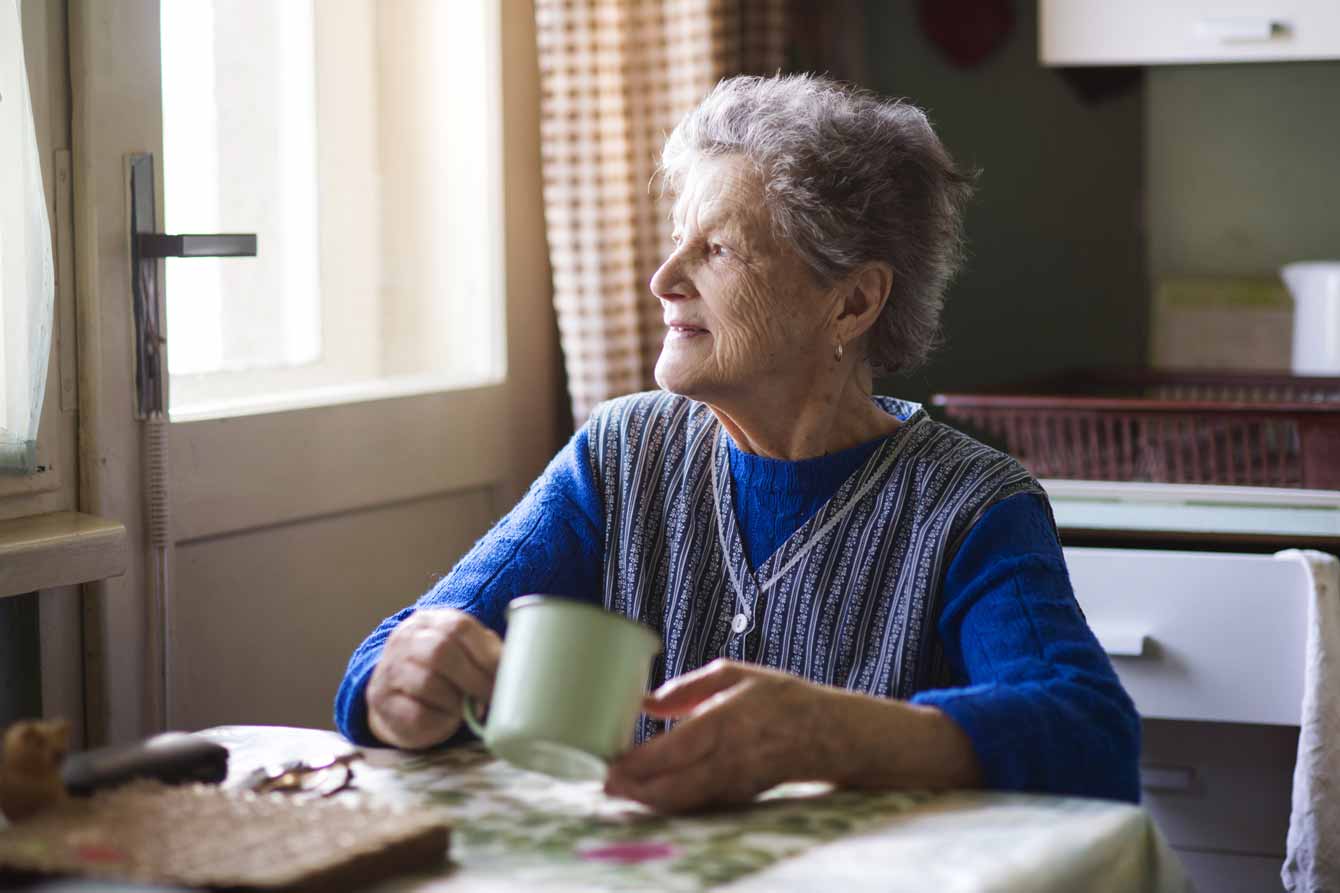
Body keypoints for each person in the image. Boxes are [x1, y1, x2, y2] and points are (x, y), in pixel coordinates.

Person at [336, 73, 1140, 813]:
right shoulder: (621, 456)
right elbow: (396, 654)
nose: (663, 278)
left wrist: (832, 733)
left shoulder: (969, 505)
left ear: (853, 302)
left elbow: (1092, 735)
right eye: (679, 238)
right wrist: (399, 689)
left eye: (716, 249)